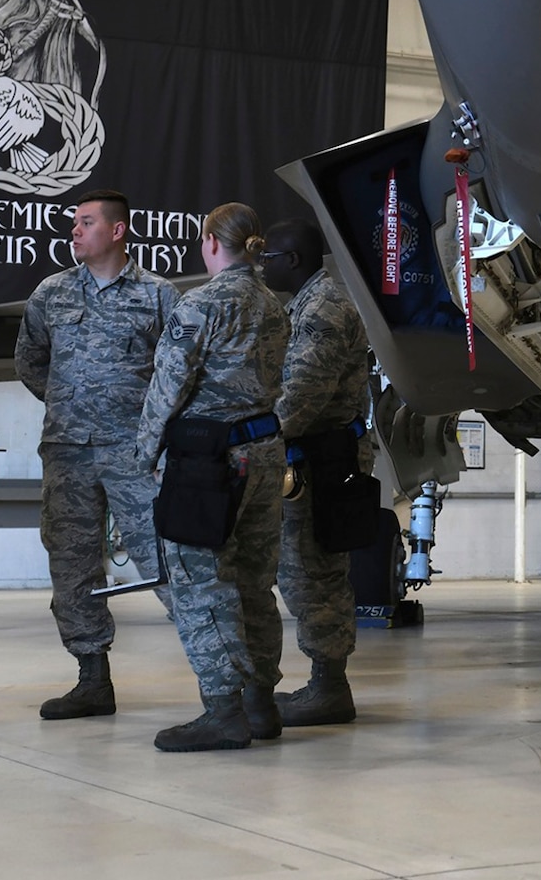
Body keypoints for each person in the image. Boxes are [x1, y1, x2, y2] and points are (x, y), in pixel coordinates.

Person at [131, 203, 291, 752]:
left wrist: (144, 452)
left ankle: (223, 708)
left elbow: (169, 384)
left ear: (210, 242)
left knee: (201, 580)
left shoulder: (200, 304)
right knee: (252, 581)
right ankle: (260, 705)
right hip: (266, 454)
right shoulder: (275, 305)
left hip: (211, 462)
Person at [15, 189, 180, 719]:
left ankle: (218, 673)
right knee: (72, 563)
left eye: (86, 223)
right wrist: (70, 403)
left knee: (164, 556)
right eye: (74, 223)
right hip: (67, 451)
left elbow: (176, 373)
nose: (74, 231)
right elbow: (29, 360)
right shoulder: (51, 293)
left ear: (117, 231)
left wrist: (139, 424)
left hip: (135, 453)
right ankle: (91, 678)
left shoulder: (158, 295)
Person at [261, 220, 369, 727]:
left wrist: (250, 439)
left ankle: (330, 688)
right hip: (306, 456)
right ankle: (324, 682)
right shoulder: (303, 303)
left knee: (313, 571)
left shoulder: (324, 308)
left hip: (319, 462)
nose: (263, 266)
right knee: (301, 568)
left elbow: (300, 395)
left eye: (271, 257)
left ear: (295, 259)